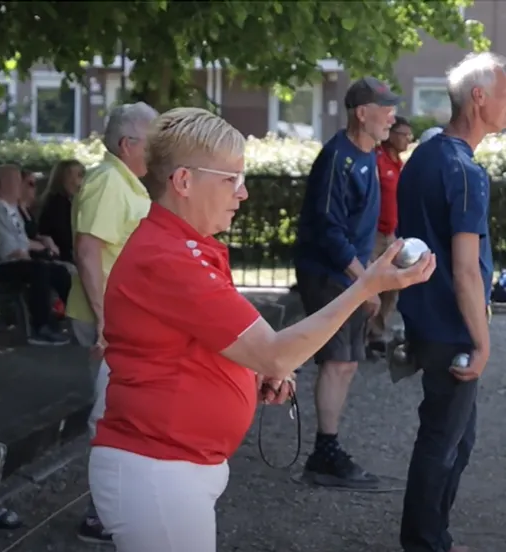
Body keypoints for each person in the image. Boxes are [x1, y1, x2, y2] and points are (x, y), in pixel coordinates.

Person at [87, 107, 435, 552]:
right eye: (230, 179)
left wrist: (253, 373)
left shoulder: (183, 246)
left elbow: (212, 343)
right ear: (184, 181)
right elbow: (274, 352)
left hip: (172, 466)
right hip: (159, 467)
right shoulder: (169, 257)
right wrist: (368, 284)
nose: (244, 192)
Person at [397, 52, 506, 552]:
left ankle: (432, 536)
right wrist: (482, 343)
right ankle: (424, 542)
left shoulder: (426, 155)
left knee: (456, 441)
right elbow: (465, 268)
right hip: (451, 326)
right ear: (479, 97)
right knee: (444, 442)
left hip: (427, 319)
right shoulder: (465, 170)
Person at [293, 76, 400, 489]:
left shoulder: (367, 154)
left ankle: (328, 447)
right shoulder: (338, 158)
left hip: (347, 273)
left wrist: (368, 272)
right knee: (338, 361)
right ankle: (324, 452)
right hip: (328, 274)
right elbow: (329, 231)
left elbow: (353, 230)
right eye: (385, 107)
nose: (392, 114)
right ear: (362, 113)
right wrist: (366, 281)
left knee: (349, 362)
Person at [67, 102, 158, 544]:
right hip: (110, 321)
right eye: (152, 143)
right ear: (128, 144)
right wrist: (106, 323)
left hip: (121, 319)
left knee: (119, 412)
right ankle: (99, 514)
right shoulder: (108, 182)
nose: (157, 153)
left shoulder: (125, 183)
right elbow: (88, 252)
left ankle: (110, 508)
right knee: (109, 416)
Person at [0, 164, 70, 346]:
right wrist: (31, 255)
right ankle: (40, 328)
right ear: (2, 184)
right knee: (38, 270)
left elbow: (21, 241)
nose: (20, 186)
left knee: (59, 271)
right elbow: (8, 250)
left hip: (9, 263)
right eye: (16, 181)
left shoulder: (9, 206)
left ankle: (75, 321)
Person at [366, 115, 413, 354]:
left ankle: (377, 332)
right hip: (373, 234)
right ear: (392, 135)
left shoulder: (401, 165)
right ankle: (366, 335)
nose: (408, 139)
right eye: (404, 134)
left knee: (393, 286)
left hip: (392, 234)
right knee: (369, 285)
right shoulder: (376, 160)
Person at [38, 159, 85, 265]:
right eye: (78, 175)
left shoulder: (66, 201)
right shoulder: (57, 203)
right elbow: (65, 237)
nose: (78, 182)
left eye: (80, 175)